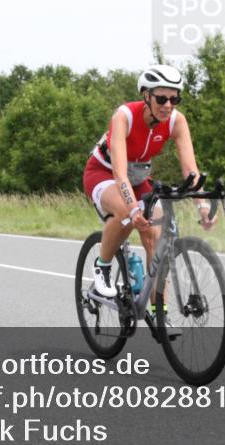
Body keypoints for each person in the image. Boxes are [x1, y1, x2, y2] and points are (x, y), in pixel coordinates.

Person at [83, 65, 217, 308]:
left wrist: (203, 207)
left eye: (174, 99)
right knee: (125, 212)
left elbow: (190, 170)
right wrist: (133, 208)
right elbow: (119, 172)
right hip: (103, 172)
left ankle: (158, 310)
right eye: (161, 98)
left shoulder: (177, 121)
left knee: (155, 235)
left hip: (138, 178)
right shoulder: (124, 116)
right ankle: (102, 266)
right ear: (146, 95)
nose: (168, 105)